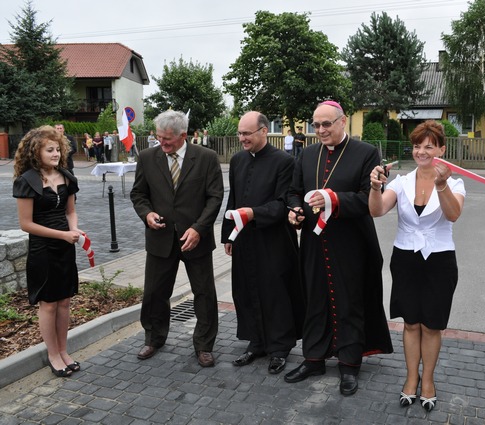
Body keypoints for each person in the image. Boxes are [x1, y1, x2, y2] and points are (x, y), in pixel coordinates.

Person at [285, 100, 393, 396]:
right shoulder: (307, 154)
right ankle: (313, 359)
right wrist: (295, 211)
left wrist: (333, 199)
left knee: (349, 301)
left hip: (351, 243)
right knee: (314, 299)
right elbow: (293, 192)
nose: (320, 130)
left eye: (326, 124)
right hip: (313, 242)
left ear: (342, 122)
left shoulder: (366, 153)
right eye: (316, 125)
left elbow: (369, 199)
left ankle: (349, 364)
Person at [369, 120, 465, 412]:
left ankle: (428, 381)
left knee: (432, 325)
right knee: (411, 323)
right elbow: (377, 210)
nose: (421, 152)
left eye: (429, 146)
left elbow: (453, 214)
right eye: (417, 146)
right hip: (406, 258)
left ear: (441, 149)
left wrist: (441, 185)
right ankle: (412, 377)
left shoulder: (455, 182)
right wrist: (375, 187)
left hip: (439, 259)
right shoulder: (401, 182)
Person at [130, 110, 224, 368]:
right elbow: (138, 194)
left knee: (204, 293)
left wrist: (199, 228)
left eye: (167, 139)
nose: (162, 143)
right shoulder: (147, 157)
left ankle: (204, 345)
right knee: (154, 292)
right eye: (159, 137)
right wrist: (147, 214)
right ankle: (154, 338)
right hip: (160, 238)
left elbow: (215, 197)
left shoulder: (206, 158)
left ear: (184, 135)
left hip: (195, 238)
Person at [222, 111, 305, 375]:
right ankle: (256, 342)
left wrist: (253, 214)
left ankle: (280, 348)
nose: (242, 138)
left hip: (274, 239)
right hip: (244, 238)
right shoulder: (237, 160)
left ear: (263, 131)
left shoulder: (284, 161)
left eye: (247, 133)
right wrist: (228, 235)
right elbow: (233, 199)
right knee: (246, 290)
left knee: (275, 294)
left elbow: (283, 203)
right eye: (240, 133)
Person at [12, 125, 83, 378]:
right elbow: (26, 224)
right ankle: (53, 355)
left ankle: (63, 351)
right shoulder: (26, 181)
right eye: (49, 150)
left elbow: (70, 211)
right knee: (49, 304)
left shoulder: (66, 177)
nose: (55, 154)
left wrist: (74, 230)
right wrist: (63, 235)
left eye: (57, 149)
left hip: (65, 247)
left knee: (64, 301)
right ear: (36, 152)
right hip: (43, 249)